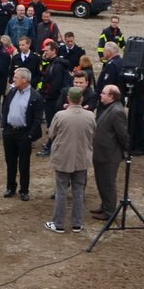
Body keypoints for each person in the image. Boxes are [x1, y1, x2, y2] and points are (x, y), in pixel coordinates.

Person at [44, 87, 96, 233]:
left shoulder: (60, 115)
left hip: (63, 158)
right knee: (79, 191)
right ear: (81, 99)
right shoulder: (90, 116)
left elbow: (51, 134)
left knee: (61, 191)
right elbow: (93, 134)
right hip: (81, 158)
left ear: (68, 99)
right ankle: (77, 223)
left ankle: (58, 223)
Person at [1, 67, 45, 200]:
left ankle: (24, 190)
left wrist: (30, 135)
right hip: (10, 133)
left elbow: (38, 119)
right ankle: (10, 187)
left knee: (24, 164)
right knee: (10, 161)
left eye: (16, 78)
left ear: (25, 79)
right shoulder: (12, 92)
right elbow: (5, 108)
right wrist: (4, 126)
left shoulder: (35, 97)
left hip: (24, 134)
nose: (13, 80)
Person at [92, 84, 129, 220]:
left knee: (107, 184)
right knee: (102, 182)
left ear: (111, 96)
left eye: (103, 93)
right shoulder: (109, 108)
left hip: (109, 155)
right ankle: (104, 206)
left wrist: (125, 150)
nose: (100, 95)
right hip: (102, 153)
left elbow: (123, 135)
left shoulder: (116, 111)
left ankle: (109, 212)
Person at [37, 40, 71, 157]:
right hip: (53, 98)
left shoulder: (57, 66)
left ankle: (50, 147)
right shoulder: (52, 63)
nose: (44, 52)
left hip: (54, 100)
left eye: (47, 50)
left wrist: (46, 95)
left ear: (54, 51)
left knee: (53, 124)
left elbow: (55, 85)